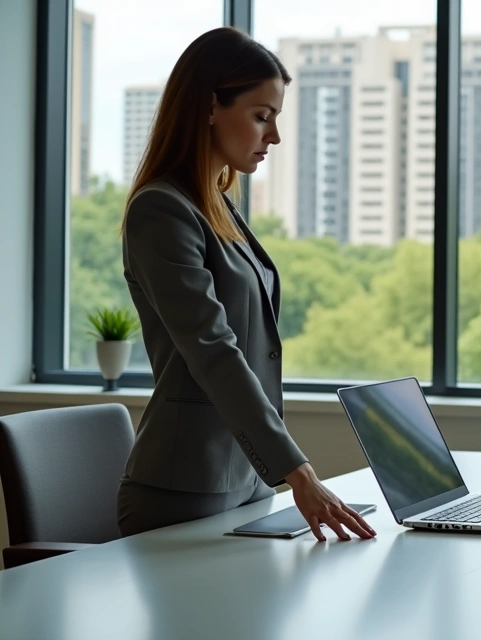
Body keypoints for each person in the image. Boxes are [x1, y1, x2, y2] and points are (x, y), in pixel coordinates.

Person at [117, 27, 375, 543]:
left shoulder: (217, 206)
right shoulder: (161, 210)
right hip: (184, 490)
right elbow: (213, 350)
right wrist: (298, 471)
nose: (273, 137)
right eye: (262, 117)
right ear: (210, 106)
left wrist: (279, 475)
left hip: (249, 484)